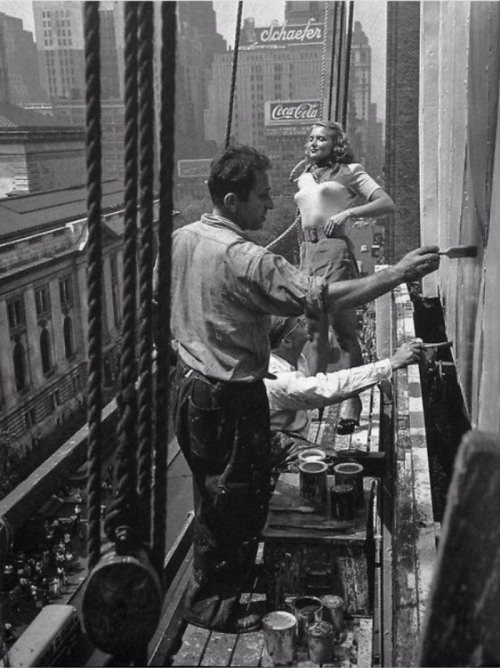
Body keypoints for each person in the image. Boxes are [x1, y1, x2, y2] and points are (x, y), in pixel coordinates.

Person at [166, 144, 438, 634]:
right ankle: (214, 607)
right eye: (262, 197)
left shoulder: (184, 239)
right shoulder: (245, 258)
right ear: (232, 199)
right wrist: (398, 274)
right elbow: (323, 297)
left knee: (214, 495)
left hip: (190, 391)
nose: (271, 206)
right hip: (230, 396)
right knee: (237, 499)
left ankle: (210, 596)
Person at [292, 120, 395, 435]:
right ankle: (315, 402)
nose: (313, 143)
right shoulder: (304, 176)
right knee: (314, 333)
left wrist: (349, 214)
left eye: (321, 139)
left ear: (336, 143)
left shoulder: (351, 171)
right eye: (310, 138)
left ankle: (352, 402)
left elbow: (386, 203)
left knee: (343, 330)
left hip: (335, 250)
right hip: (306, 253)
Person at [265, 315, 423, 452]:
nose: (304, 322)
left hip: (294, 433)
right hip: (274, 443)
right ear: (286, 341)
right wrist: (391, 363)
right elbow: (324, 388)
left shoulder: (295, 359)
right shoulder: (275, 377)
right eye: (298, 323)